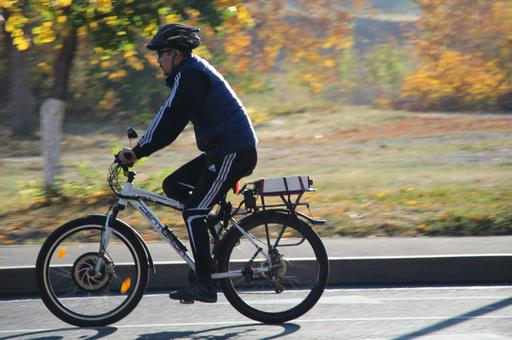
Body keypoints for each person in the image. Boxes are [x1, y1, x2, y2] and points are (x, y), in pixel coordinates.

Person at [118, 23, 258, 303]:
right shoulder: (190, 73)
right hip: (222, 150)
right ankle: (212, 231)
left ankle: (205, 285)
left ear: (177, 54)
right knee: (173, 185)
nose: (158, 60)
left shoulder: (191, 75)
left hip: (232, 151)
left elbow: (171, 119)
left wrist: (139, 150)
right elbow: (167, 115)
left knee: (194, 211)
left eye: (162, 53)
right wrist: (142, 148)